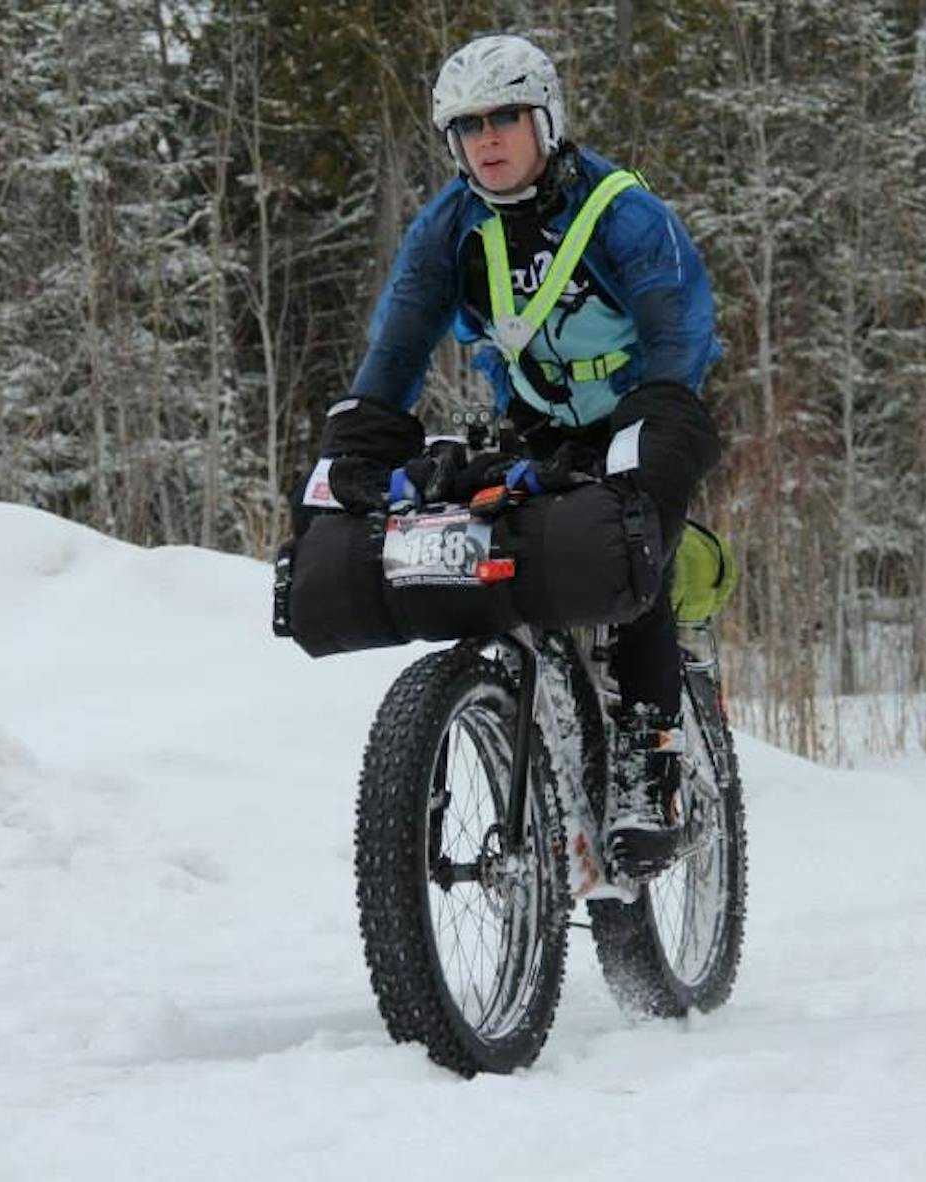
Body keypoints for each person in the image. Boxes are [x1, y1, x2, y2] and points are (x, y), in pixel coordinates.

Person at [303, 34, 721, 879]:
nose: (487, 139)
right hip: (537, 425)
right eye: (467, 126)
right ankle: (516, 717)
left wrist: (646, 451)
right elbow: (399, 346)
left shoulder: (622, 214)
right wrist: (358, 440)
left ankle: (649, 764)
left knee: (636, 550)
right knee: (495, 541)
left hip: (649, 406)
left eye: (504, 118)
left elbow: (679, 332)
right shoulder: (450, 227)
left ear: (546, 120)